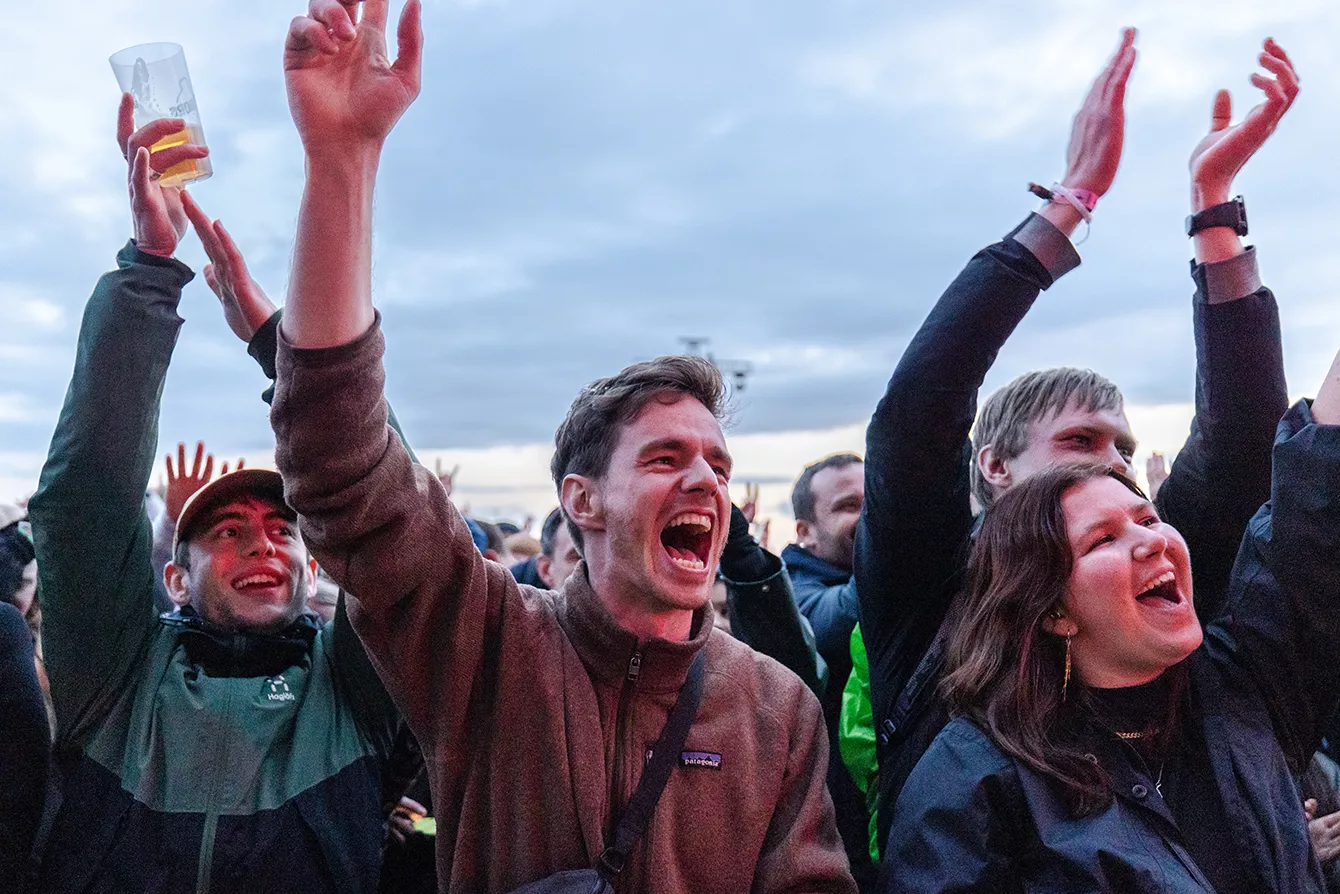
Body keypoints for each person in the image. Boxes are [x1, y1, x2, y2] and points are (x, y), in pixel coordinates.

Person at [271, 1, 854, 890]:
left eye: (717, 464)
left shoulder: (778, 710)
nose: (706, 480)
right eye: (665, 458)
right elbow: (342, 466)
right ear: (583, 500)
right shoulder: (488, 644)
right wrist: (342, 162)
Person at [848, 30, 1297, 857]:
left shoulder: (1150, 556)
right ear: (994, 466)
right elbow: (916, 417)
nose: (1113, 464)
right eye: (1081, 440)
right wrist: (1070, 202)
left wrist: (1214, 211)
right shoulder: (935, 582)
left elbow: (1243, 445)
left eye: (1123, 448)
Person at [26, 95, 401, 893]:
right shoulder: (116, 680)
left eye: (282, 530)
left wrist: (284, 346)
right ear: (174, 576)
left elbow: (391, 520)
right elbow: (84, 505)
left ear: (312, 567)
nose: (263, 541)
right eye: (227, 531)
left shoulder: (351, 691)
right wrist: (148, 270)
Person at [884, 346, 1340, 890]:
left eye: (1147, 519)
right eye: (1102, 539)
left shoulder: (1242, 687)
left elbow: (1311, 506)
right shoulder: (975, 780)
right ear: (1053, 610)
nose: (1152, 541)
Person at [784, 453, 875, 888]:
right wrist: (891, 524)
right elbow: (834, 626)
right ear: (805, 532)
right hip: (838, 833)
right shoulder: (791, 593)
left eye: (873, 500)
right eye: (849, 506)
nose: (869, 514)